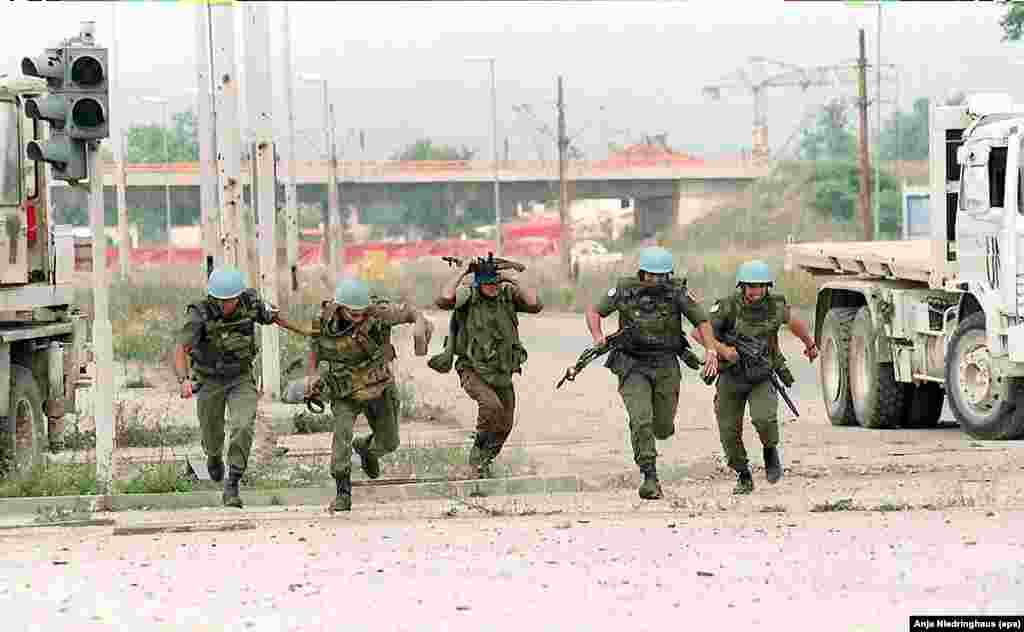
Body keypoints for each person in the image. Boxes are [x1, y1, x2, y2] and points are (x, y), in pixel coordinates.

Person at [585, 246, 735, 500]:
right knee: (641, 419)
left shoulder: (677, 291)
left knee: (662, 427)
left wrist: (711, 348)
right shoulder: (624, 290)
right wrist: (598, 336)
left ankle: (657, 435)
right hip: (632, 364)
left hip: (666, 364)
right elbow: (594, 311)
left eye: (662, 276)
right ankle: (649, 477)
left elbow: (702, 321)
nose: (656, 281)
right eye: (652, 276)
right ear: (642, 273)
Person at [304, 277, 433, 513]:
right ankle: (343, 492)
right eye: (353, 313)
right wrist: (312, 376)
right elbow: (314, 349)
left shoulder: (378, 313)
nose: (358, 317)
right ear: (340, 307)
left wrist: (419, 324)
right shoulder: (324, 321)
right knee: (341, 436)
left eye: (361, 312)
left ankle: (366, 449)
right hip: (344, 391)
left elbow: (411, 311)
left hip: (378, 387)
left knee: (390, 442)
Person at [693, 260, 818, 495]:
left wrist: (810, 345)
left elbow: (794, 323)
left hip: (761, 376)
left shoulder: (775, 306)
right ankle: (743, 474)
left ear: (767, 287)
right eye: (750, 286)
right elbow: (698, 332)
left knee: (765, 419)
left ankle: (770, 451)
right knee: (729, 432)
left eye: (760, 286)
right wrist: (723, 350)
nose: (755, 291)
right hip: (731, 376)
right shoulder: (727, 306)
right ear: (742, 286)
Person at [173, 266, 287, 508]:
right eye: (221, 301)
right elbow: (180, 349)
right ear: (213, 297)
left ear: (238, 296)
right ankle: (214, 458)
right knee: (211, 434)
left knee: (242, 425)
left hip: (240, 378)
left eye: (231, 300)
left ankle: (232, 483)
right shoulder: (199, 314)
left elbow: (271, 315)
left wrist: (271, 312)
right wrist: (183, 379)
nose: (227, 305)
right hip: (209, 380)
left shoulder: (249, 304)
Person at [435, 254, 543, 479]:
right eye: (487, 284)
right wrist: (463, 270)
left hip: (500, 371)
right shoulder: (468, 296)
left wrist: (511, 278)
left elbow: (534, 304)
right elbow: (444, 299)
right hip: (472, 368)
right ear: (478, 283)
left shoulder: (507, 295)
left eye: (495, 283)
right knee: (491, 407)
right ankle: (475, 459)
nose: (493, 287)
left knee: (505, 423)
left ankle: (484, 462)